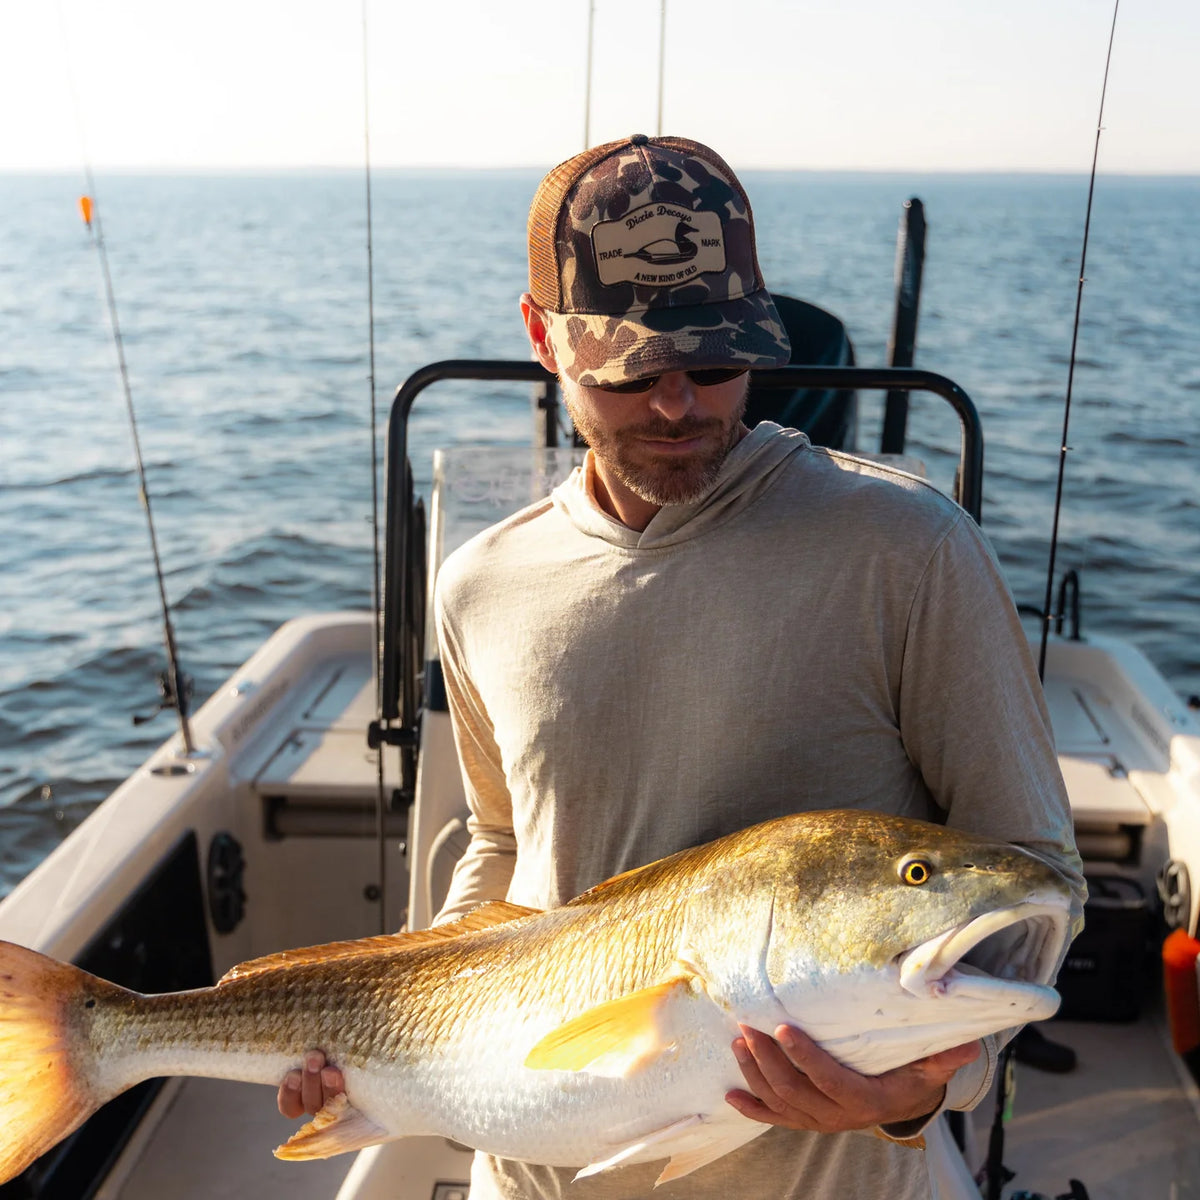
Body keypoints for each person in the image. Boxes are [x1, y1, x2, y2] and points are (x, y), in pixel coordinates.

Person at [279, 134, 1085, 1199]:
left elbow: (1033, 868)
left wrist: (923, 1090)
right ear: (543, 338)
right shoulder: (480, 581)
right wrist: (394, 1025)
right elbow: (505, 838)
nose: (681, 405)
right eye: (636, 368)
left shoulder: (910, 549)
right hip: (533, 1173)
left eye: (716, 363)